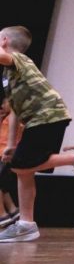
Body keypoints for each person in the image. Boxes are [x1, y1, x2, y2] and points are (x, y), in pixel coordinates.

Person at [0, 25, 74, 242]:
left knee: (20, 165)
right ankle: (26, 224)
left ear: (5, 41)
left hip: (47, 115)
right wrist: (11, 142)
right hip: (38, 119)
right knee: (24, 170)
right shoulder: (8, 74)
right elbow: (16, 109)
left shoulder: (20, 59)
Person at [0, 98, 23, 229]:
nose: (3, 105)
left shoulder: (15, 117)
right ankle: (13, 211)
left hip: (6, 155)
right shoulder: (5, 118)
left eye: (5, 102)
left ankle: (2, 215)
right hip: (2, 153)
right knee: (3, 186)